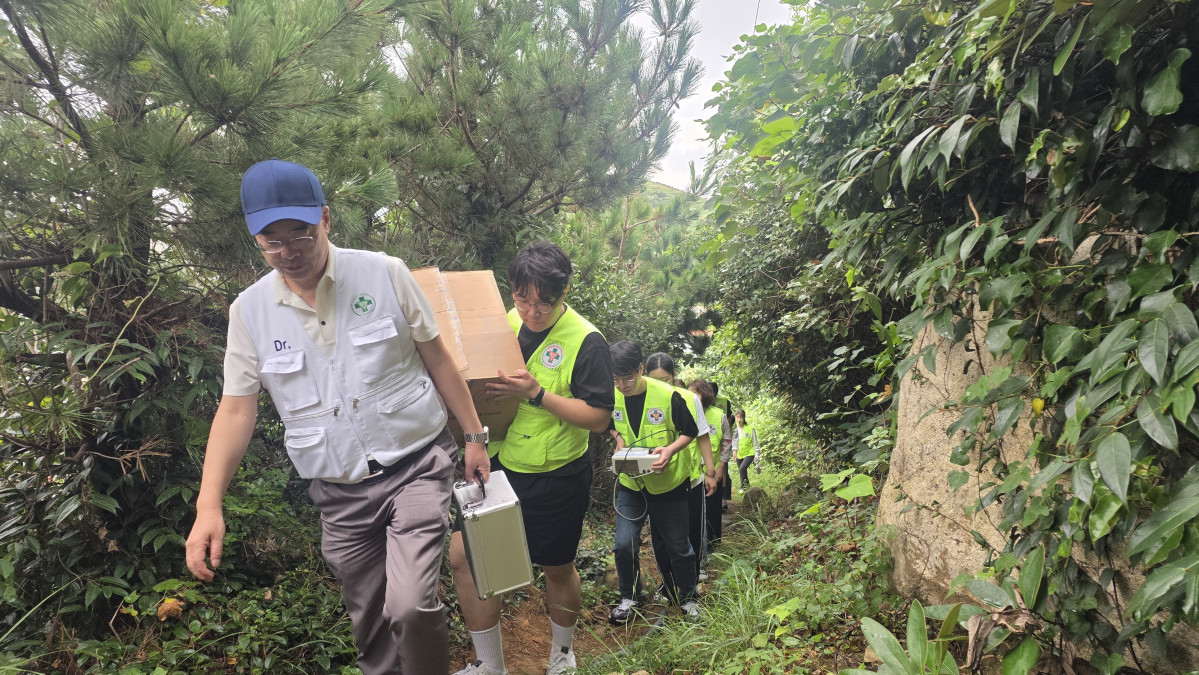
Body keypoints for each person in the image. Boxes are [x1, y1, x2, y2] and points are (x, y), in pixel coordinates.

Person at [184, 159, 490, 675]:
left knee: (410, 606)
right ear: (254, 237)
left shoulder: (383, 273)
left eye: (300, 235)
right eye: (271, 241)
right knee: (371, 627)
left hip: (416, 463)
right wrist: (208, 504)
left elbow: (438, 358)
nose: (288, 253)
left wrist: (475, 435)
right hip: (339, 492)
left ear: (325, 218)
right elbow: (236, 409)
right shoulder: (250, 312)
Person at [448, 241, 613, 675]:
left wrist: (537, 393)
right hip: (499, 465)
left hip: (556, 474)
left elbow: (597, 418)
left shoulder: (586, 341)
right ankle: (490, 664)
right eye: (523, 299)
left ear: (565, 293)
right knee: (468, 557)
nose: (532, 312)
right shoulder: (505, 322)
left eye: (545, 303)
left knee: (556, 567)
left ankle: (562, 655)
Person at [608, 341, 715, 624]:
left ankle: (690, 597)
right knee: (623, 544)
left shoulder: (668, 396)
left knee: (679, 546)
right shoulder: (613, 394)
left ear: (641, 369)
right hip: (632, 484)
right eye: (616, 379)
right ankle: (630, 598)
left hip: (668, 484)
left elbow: (690, 431)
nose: (622, 385)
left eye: (628, 378)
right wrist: (618, 439)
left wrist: (670, 450)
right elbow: (610, 422)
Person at [644, 352, 715, 597]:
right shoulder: (642, 400)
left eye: (665, 379)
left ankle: (690, 584)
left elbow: (702, 434)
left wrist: (711, 471)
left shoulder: (688, 398)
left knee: (691, 533)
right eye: (655, 379)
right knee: (661, 537)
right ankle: (667, 584)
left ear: (675, 377)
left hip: (691, 477)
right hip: (658, 478)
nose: (661, 385)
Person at [690, 380, 731, 552]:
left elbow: (726, 442)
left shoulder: (718, 416)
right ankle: (697, 547)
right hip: (691, 472)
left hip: (712, 469)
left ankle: (713, 544)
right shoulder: (684, 413)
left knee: (713, 508)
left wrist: (721, 467)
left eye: (695, 393)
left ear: (704, 395)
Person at [733, 409, 760, 491]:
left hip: (750, 453)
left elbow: (755, 443)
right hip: (739, 454)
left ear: (744, 418)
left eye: (741, 417)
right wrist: (734, 453)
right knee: (742, 471)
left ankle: (742, 487)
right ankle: (747, 487)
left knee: (742, 468)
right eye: (737, 417)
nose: (739, 419)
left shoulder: (750, 428)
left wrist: (757, 454)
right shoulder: (734, 430)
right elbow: (734, 443)